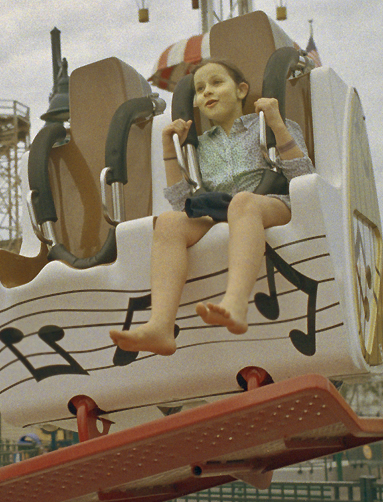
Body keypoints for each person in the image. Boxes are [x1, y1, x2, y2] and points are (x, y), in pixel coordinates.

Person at [109, 60, 313, 355]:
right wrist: (169, 149)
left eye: (217, 83)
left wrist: (276, 123)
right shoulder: (200, 146)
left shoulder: (266, 124)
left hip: (271, 203)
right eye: (200, 89)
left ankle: (235, 303)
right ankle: (160, 326)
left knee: (242, 202)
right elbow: (181, 202)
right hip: (222, 213)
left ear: (241, 90)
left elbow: (303, 176)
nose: (207, 92)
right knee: (168, 222)